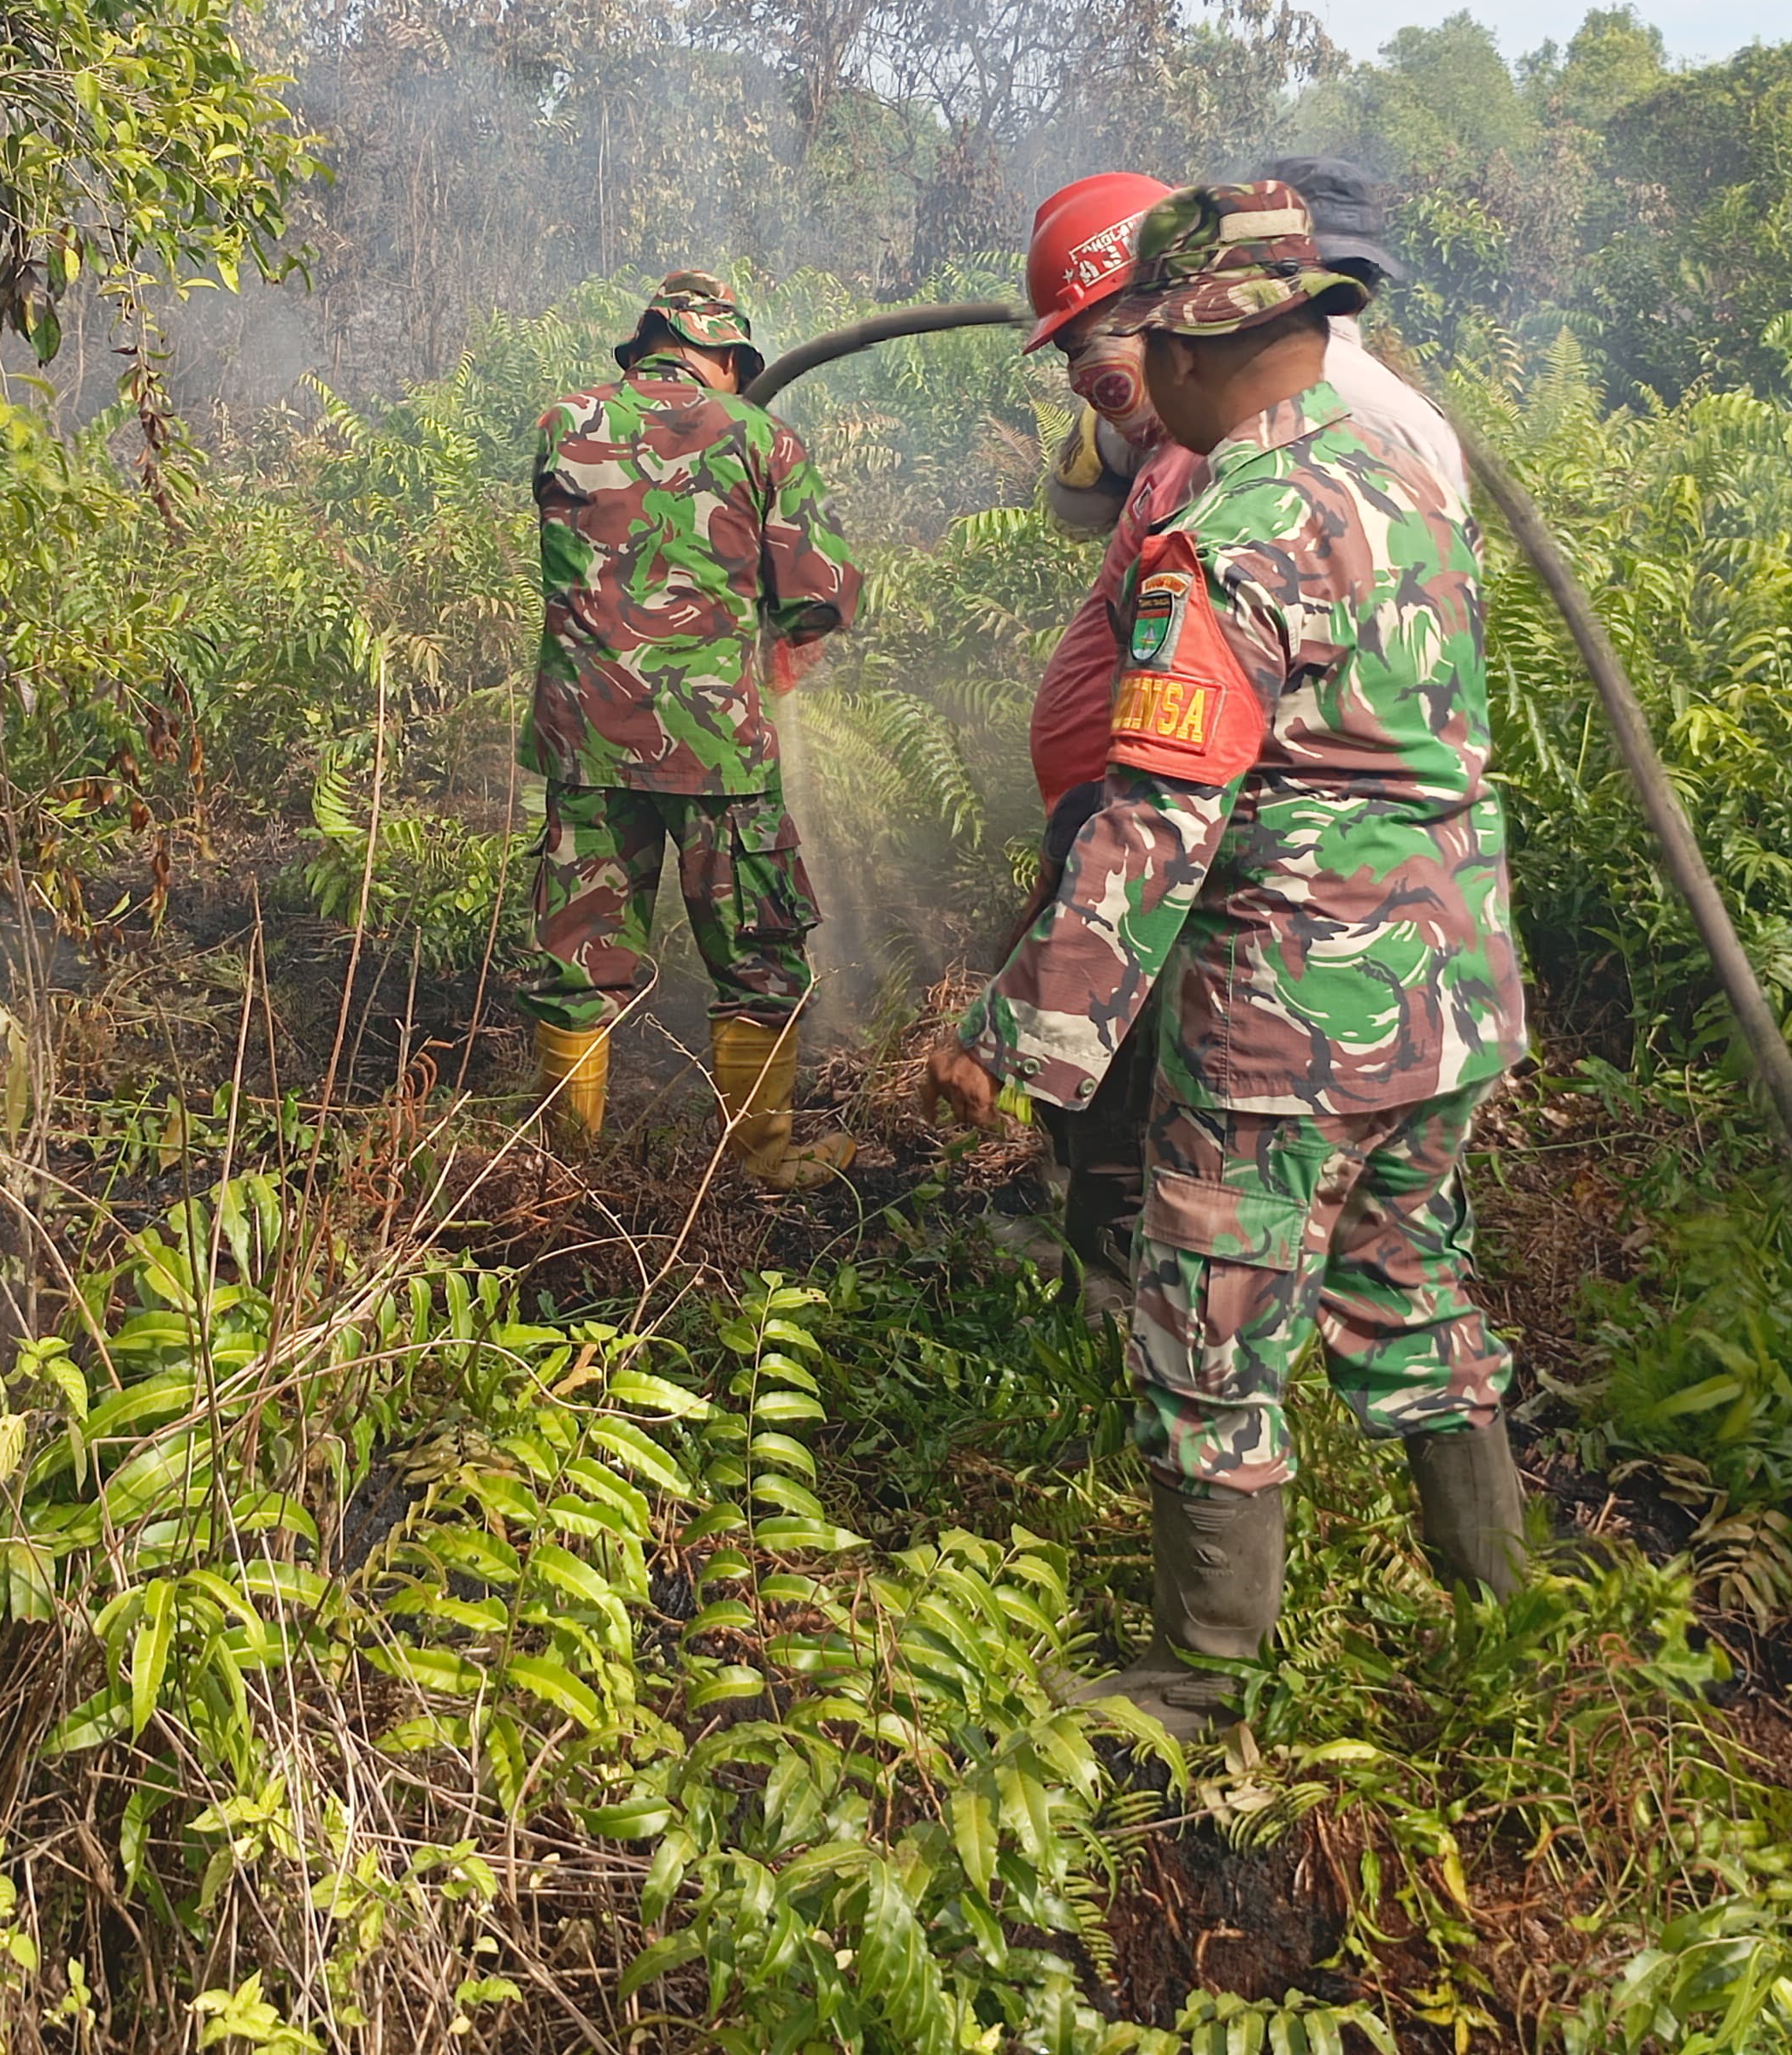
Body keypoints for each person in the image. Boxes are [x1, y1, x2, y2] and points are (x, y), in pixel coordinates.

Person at [933, 180, 1531, 1740]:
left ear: (1195, 351)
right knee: (1412, 1286)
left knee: (1209, 1328)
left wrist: (1014, 1036)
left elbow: (1153, 827)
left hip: (1293, 1016)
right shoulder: (1404, 484)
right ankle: (1508, 1620)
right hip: (1452, 993)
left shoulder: (1235, 531)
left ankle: (1203, 1673)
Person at [1020, 160, 1460, 1316]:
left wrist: (1018, 1028)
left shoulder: (1313, 444)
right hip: (1163, 824)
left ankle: (1144, 1301)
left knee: (1190, 1132)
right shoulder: (1202, 427)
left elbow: (1179, 803)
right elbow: (1076, 501)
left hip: (1242, 872)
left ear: (1185, 324)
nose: (1095, 378)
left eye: (1105, 347)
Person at [523, 271, 864, 1187]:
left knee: (578, 956)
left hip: (586, 735)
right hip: (718, 747)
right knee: (757, 952)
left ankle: (564, 1172)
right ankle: (763, 1160)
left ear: (645, 349)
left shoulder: (564, 423)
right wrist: (773, 653)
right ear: (723, 356)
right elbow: (822, 595)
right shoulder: (762, 436)